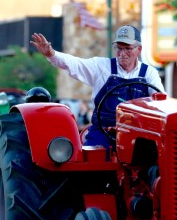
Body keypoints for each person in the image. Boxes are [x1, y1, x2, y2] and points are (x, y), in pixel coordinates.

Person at [30, 25, 165, 156]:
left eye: (127, 48)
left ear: (139, 49)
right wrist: (51, 54)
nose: (122, 53)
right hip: (103, 132)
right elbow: (74, 64)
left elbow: (159, 102)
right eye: (119, 48)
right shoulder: (101, 67)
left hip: (137, 137)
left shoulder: (149, 73)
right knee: (92, 166)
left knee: (155, 161)